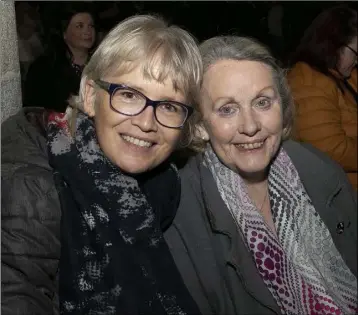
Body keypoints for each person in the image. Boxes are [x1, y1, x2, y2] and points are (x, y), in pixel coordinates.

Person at [2, 15, 203, 315]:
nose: (146, 123)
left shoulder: (166, 185)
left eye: (170, 106)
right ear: (90, 96)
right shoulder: (35, 187)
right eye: (129, 95)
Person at [164, 36, 357, 315]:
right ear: (200, 125)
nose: (250, 126)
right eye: (227, 109)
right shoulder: (180, 215)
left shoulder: (321, 171)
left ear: (282, 107)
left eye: (263, 102)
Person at [287, 5, 358, 189]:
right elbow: (332, 150)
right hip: (342, 193)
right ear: (334, 45)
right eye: (355, 53)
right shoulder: (307, 83)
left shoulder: (340, 73)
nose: (357, 61)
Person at [23, 3, 96, 112]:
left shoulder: (102, 64)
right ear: (64, 33)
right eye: (80, 26)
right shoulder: (44, 68)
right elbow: (34, 113)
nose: (88, 31)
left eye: (91, 26)